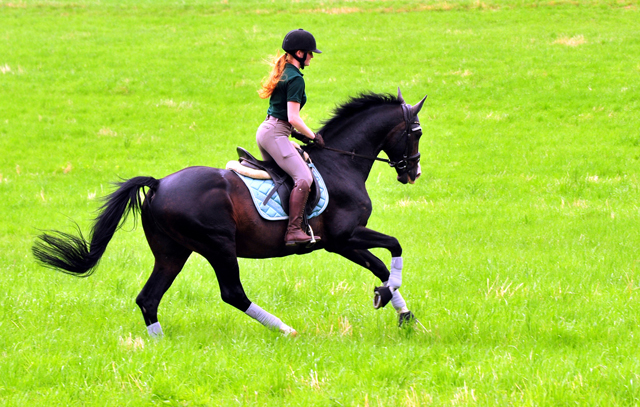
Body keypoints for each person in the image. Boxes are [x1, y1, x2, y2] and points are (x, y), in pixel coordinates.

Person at [256, 29, 325, 246]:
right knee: (304, 178)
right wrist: (313, 136)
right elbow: (293, 117)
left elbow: (281, 114)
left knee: (288, 172)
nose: (312, 57)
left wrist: (295, 136)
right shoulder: (295, 79)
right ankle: (294, 230)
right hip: (275, 134)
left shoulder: (283, 71)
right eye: (310, 53)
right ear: (299, 53)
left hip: (268, 131)